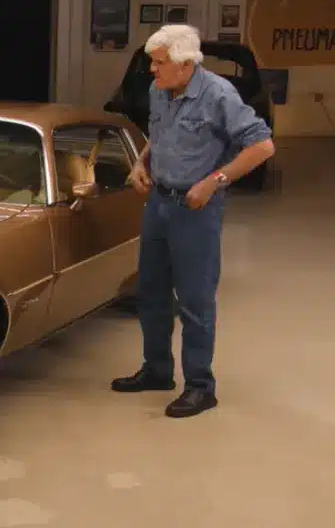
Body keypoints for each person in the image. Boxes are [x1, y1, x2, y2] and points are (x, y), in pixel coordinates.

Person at [112, 24, 275, 418]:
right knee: (150, 294)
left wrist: (214, 181)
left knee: (195, 301)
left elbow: (262, 145)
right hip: (159, 204)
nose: (152, 70)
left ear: (186, 65)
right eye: (153, 62)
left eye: (159, 63)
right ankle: (157, 371)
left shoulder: (219, 95)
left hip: (196, 211)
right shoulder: (160, 90)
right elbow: (159, 132)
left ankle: (201, 386)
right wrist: (140, 162)